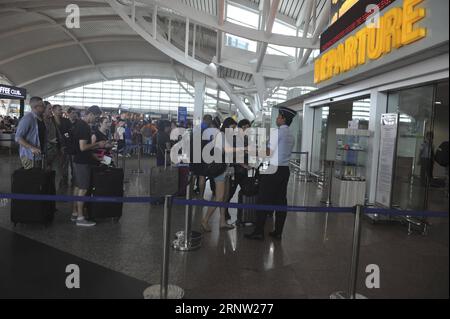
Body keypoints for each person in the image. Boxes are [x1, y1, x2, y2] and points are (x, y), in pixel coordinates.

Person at [245, 107, 296, 240]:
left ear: (283, 118)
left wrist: (252, 152)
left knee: (262, 199)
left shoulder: (277, 133)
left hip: (272, 169)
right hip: (284, 170)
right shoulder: (291, 135)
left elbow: (268, 152)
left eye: (279, 116)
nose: (277, 119)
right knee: (280, 201)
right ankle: (278, 231)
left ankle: (258, 231)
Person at [200, 117, 238, 233]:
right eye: (232, 127)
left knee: (225, 196)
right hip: (219, 170)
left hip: (225, 169)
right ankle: (205, 220)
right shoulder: (220, 135)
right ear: (226, 126)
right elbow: (226, 150)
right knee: (219, 197)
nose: (233, 130)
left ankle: (222, 221)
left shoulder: (226, 136)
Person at [71, 105, 105, 227]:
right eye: (96, 117)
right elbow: (83, 147)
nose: (96, 120)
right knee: (83, 188)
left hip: (78, 160)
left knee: (77, 187)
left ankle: (75, 213)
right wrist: (97, 144)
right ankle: (80, 217)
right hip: (82, 162)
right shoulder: (84, 126)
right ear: (90, 114)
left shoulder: (79, 124)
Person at [15, 97, 46, 169]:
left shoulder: (40, 119)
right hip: (29, 156)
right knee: (31, 178)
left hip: (39, 155)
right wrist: (32, 148)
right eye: (42, 105)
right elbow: (18, 137)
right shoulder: (28, 119)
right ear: (36, 107)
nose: (44, 107)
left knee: (38, 177)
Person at [51, 104, 73, 187]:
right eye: (59, 109)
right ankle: (54, 179)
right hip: (54, 146)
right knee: (55, 164)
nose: (61, 111)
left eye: (61, 109)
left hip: (64, 145)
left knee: (64, 164)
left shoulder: (66, 121)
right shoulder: (50, 120)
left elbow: (70, 132)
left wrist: (65, 137)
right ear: (53, 111)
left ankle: (64, 180)